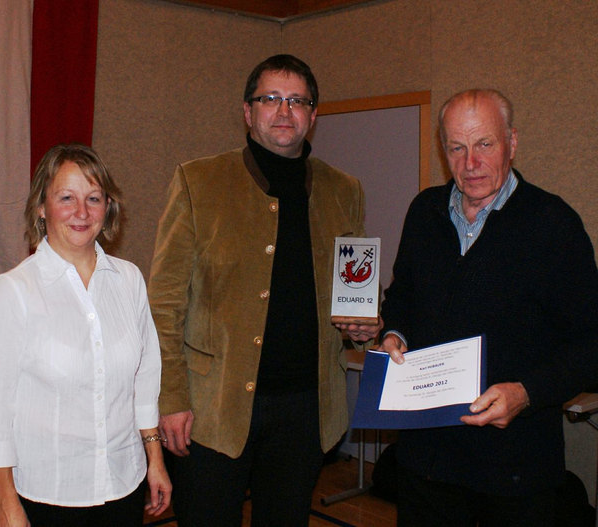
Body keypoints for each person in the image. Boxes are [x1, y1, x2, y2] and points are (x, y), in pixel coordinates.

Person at [148, 54, 381, 526]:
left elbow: (354, 291)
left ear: (313, 116)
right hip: (213, 409)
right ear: (247, 111)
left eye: (297, 101)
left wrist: (366, 323)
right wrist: (170, 398)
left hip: (306, 410)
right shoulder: (198, 181)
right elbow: (164, 305)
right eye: (270, 98)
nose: (283, 111)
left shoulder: (345, 190)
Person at [379, 89, 598, 526]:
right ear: (444, 151)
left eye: (485, 144)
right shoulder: (424, 212)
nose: (470, 163)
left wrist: (527, 392)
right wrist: (394, 334)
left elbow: (591, 344)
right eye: (457, 148)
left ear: (512, 143)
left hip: (514, 474)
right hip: (426, 466)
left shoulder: (553, 225)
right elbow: (402, 295)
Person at [0, 143, 172, 527]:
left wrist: (155, 462)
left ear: (107, 207)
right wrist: (6, 506)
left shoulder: (129, 279)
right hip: (48, 496)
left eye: (93, 198)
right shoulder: (11, 293)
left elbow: (144, 381)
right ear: (42, 207)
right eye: (66, 197)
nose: (81, 212)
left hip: (123, 486)